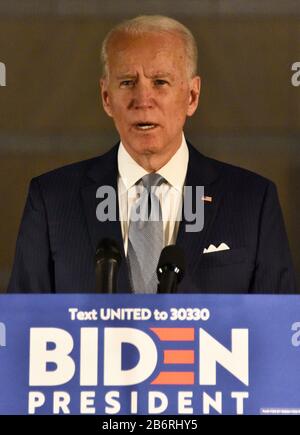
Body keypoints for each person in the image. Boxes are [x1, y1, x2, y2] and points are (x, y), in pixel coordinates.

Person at [7, 15, 297, 293]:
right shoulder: (51, 200)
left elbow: (276, 330)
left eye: (160, 82)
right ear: (107, 98)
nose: (143, 100)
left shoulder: (252, 200)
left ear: (192, 96)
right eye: (127, 83)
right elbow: (25, 328)